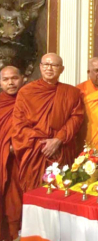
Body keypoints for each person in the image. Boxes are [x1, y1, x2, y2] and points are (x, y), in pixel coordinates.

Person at [12, 53, 84, 192]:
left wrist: (58, 140)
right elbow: (19, 125)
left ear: (62, 69)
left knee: (61, 193)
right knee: (35, 193)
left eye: (54, 65)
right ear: (40, 67)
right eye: (46, 64)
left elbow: (76, 118)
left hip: (61, 150)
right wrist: (43, 143)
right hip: (36, 151)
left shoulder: (72, 92)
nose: (49, 68)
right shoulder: (26, 92)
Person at [0, 66, 24, 241]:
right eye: (6, 79)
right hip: (3, 162)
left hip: (25, 161)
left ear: (22, 78)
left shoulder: (29, 101)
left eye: (14, 78)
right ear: (0, 82)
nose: (10, 82)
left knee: (20, 202)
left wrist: (20, 145)